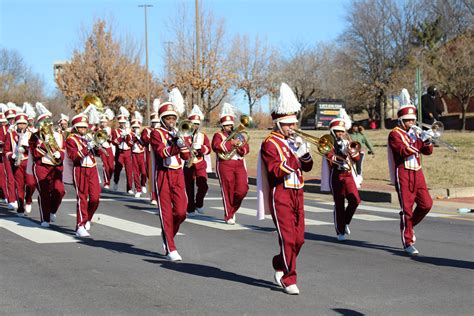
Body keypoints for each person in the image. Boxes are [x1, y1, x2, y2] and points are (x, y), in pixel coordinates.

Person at [257, 83, 313, 295]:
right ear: (279, 124)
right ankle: (289, 279)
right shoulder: (270, 143)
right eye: (288, 124)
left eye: (293, 123)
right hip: (280, 193)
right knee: (288, 238)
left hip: (298, 192)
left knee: (300, 239)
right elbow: (276, 169)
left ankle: (280, 262)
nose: (292, 127)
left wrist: (304, 153)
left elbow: (308, 166)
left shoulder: (294, 140)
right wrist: (296, 157)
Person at [388, 88, 433, 256]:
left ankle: (409, 225)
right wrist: (420, 142)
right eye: (407, 120)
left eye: (412, 120)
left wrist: (427, 141)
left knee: (426, 204)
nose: (411, 123)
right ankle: (407, 241)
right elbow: (405, 150)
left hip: (417, 172)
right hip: (404, 173)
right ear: (401, 120)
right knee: (406, 208)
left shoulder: (415, 132)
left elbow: (427, 152)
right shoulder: (395, 134)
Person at [149, 96, 190, 261]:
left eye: (173, 118)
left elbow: (186, 155)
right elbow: (162, 153)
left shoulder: (180, 132)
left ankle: (168, 236)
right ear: (162, 119)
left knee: (181, 211)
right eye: (168, 118)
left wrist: (183, 143)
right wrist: (175, 146)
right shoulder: (156, 133)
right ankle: (171, 248)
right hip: (163, 174)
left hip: (178, 174)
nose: (172, 121)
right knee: (166, 212)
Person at [321, 118, 361, 241]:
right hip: (336, 175)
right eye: (337, 131)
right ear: (332, 131)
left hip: (348, 174)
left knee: (355, 200)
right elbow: (330, 157)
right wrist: (341, 155)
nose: (340, 133)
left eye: (342, 131)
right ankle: (340, 231)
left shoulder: (346, 141)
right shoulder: (327, 142)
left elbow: (357, 158)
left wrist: (351, 152)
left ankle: (345, 222)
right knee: (339, 204)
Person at [212, 103, 249, 225]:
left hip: (239, 164)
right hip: (225, 164)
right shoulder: (218, 135)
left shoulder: (239, 135)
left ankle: (232, 210)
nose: (229, 127)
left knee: (242, 189)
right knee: (228, 189)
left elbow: (246, 149)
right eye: (227, 125)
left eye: (231, 125)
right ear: (223, 125)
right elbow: (216, 146)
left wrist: (239, 146)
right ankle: (229, 215)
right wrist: (231, 143)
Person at [29, 105, 65, 227]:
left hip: (56, 167)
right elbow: (34, 153)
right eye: (44, 123)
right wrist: (45, 144)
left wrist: (58, 153)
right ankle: (45, 219)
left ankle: (52, 210)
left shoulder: (59, 135)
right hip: (41, 166)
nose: (47, 125)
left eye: (49, 123)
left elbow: (63, 151)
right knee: (44, 193)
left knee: (60, 191)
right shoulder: (35, 136)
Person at [65, 113, 101, 237]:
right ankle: (80, 225)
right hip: (80, 169)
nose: (83, 129)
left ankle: (87, 218)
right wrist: (87, 147)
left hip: (92, 168)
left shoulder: (87, 138)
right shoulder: (71, 139)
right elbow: (74, 156)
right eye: (81, 127)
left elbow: (99, 153)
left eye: (85, 127)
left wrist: (98, 145)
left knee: (95, 198)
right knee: (82, 198)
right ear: (75, 127)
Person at [4, 113, 36, 215]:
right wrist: (11, 156)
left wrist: (27, 147)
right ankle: (21, 207)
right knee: (19, 186)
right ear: (16, 124)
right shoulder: (11, 134)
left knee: (31, 183)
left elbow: (36, 148)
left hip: (28, 161)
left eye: (23, 124)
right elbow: (6, 150)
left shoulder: (32, 134)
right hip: (17, 162)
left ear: (26, 124)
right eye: (19, 124)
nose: (21, 126)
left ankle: (29, 199)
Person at [183, 105, 211, 216]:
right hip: (188, 164)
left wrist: (201, 148)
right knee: (189, 188)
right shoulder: (184, 134)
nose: (195, 126)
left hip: (199, 163)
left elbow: (209, 149)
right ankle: (190, 208)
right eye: (193, 124)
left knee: (203, 186)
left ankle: (198, 204)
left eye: (197, 124)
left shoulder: (202, 136)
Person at [141, 104, 160, 205]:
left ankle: (160, 195)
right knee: (151, 174)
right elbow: (144, 139)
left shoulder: (162, 131)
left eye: (157, 122)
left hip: (161, 155)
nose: (156, 124)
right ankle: (153, 195)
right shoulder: (147, 130)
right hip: (150, 154)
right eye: (154, 122)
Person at [111, 110, 133, 193]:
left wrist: (128, 135)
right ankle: (116, 182)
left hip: (127, 152)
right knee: (118, 169)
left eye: (124, 122)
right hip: (119, 152)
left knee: (129, 170)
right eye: (121, 123)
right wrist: (121, 137)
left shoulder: (129, 131)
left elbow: (131, 143)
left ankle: (129, 188)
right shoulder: (115, 131)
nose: (122, 124)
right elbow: (114, 142)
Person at [130, 112, 147, 198]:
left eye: (137, 127)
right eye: (134, 127)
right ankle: (138, 189)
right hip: (134, 154)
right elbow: (129, 144)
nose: (136, 128)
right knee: (136, 173)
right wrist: (133, 138)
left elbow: (144, 143)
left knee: (144, 172)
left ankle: (143, 184)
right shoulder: (130, 135)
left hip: (141, 154)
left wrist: (139, 138)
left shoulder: (142, 134)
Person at [98, 109, 115, 189]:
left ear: (107, 122)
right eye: (102, 122)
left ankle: (108, 178)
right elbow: (97, 140)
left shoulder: (111, 129)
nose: (103, 123)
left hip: (109, 148)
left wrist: (110, 137)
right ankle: (106, 183)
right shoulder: (98, 130)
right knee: (105, 166)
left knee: (111, 167)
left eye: (104, 122)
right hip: (102, 148)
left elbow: (113, 139)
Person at [0, 110, 9, 203]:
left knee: (6, 176)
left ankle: (6, 195)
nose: (2, 123)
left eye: (4, 121)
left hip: (6, 155)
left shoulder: (10, 129)